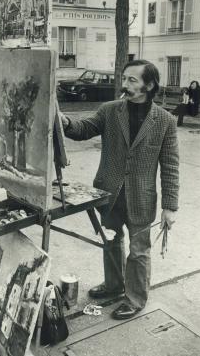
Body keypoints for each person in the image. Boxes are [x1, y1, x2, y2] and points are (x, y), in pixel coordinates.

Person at [61, 59, 179, 320]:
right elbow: (84, 130)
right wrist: (66, 122)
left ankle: (135, 299)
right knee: (111, 242)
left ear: (149, 85)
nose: (124, 84)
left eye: (132, 80)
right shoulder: (110, 110)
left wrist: (170, 206)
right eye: (124, 78)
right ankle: (114, 285)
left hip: (141, 198)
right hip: (109, 193)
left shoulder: (165, 121)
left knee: (138, 252)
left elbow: (170, 166)